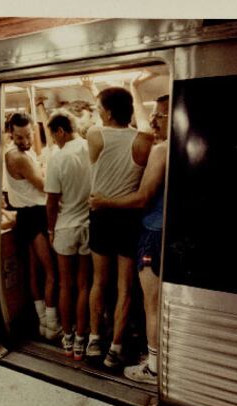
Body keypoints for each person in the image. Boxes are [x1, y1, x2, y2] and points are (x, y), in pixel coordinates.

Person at [89, 92, 170, 383]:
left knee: (103, 283)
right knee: (126, 289)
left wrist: (104, 200)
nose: (153, 120)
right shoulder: (147, 142)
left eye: (159, 114)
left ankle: (95, 340)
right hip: (132, 223)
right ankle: (116, 348)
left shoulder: (95, 135)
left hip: (114, 216)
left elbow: (142, 196)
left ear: (108, 113)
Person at [4, 112, 60, 339]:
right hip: (35, 216)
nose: (25, 141)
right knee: (51, 272)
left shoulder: (18, 153)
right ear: (11, 134)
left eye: (28, 135)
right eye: (19, 137)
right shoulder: (19, 157)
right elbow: (44, 185)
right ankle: (52, 323)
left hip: (26, 216)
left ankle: (43, 323)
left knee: (34, 270)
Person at [44, 110, 92, 360]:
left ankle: (68, 338)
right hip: (89, 225)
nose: (53, 141)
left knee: (65, 284)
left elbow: (52, 201)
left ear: (60, 131)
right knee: (85, 285)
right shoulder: (91, 148)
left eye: (53, 136)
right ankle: (82, 340)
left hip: (65, 227)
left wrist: (51, 230)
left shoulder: (58, 158)